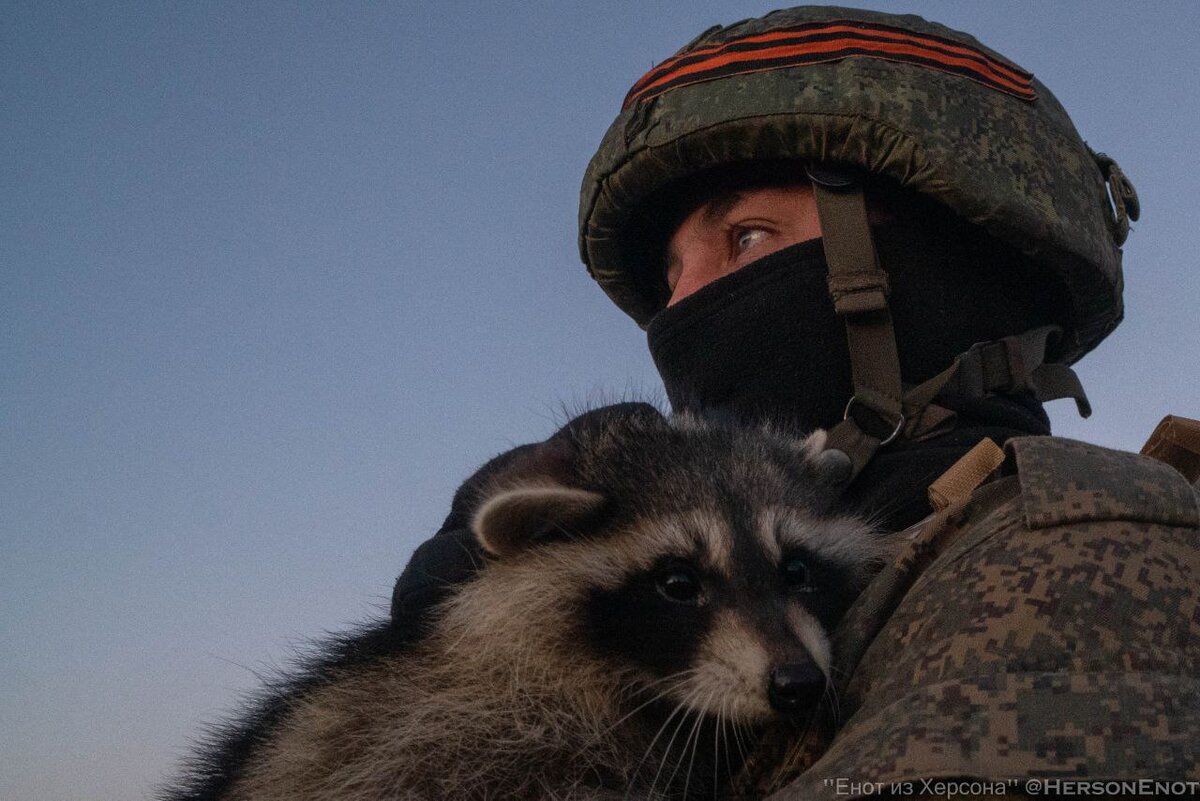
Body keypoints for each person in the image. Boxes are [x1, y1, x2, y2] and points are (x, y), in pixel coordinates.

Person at [393, 6, 1199, 796]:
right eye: (674, 276)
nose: (681, 314)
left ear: (937, 269)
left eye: (747, 236)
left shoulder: (1072, 561)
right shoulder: (869, 586)